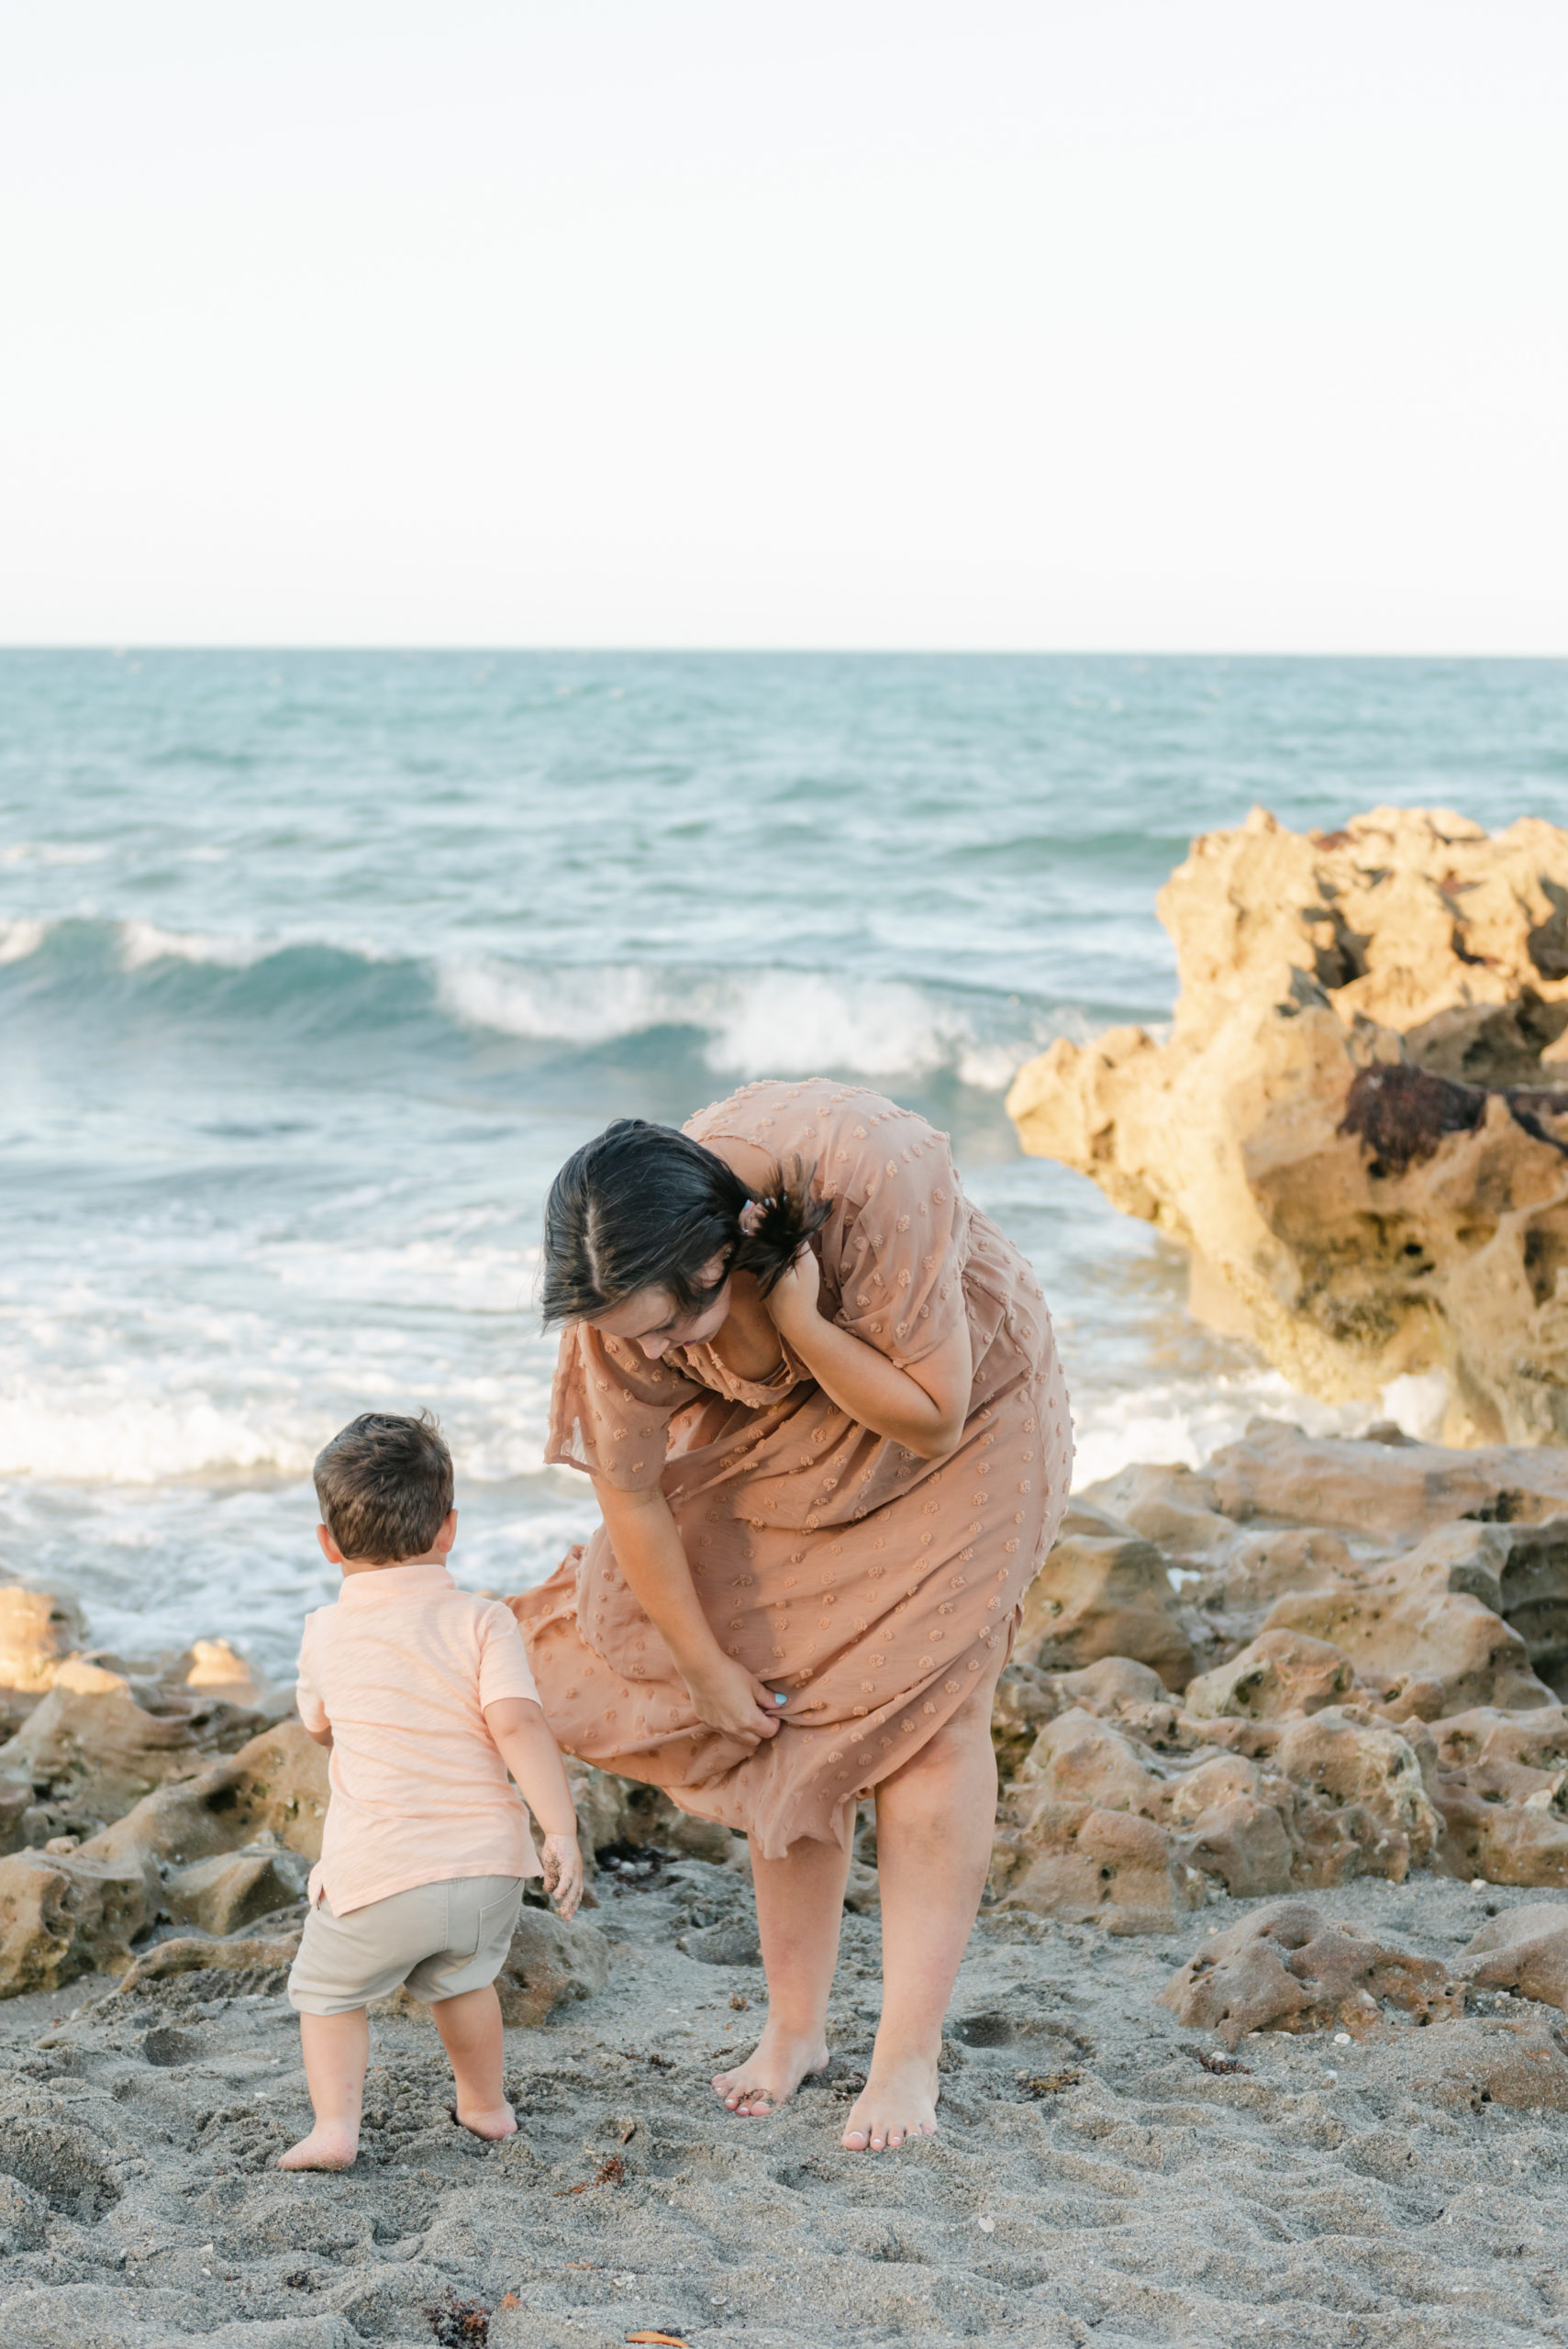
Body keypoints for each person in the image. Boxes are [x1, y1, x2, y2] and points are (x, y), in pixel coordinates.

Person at [511, 1077, 1072, 2154]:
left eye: (680, 1324)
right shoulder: (620, 1285)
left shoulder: (878, 1173)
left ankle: (906, 2056)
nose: (662, 1352)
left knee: (932, 1717)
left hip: (956, 1407)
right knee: (779, 1700)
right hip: (782, 1429)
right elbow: (628, 1491)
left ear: (722, 1254)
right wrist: (702, 1660)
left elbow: (932, 1417)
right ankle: (795, 2028)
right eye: (639, 1337)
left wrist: (803, 1319)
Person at [278, 1410, 584, 2173]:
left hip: (378, 1875)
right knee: (462, 1982)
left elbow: (317, 1726)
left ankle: (335, 2129)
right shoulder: (484, 1621)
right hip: (486, 1870)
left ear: (328, 1543)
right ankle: (484, 2106)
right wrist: (561, 1832)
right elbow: (517, 1724)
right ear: (448, 1530)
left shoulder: (323, 1631)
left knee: (327, 1994)